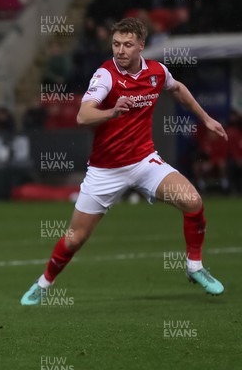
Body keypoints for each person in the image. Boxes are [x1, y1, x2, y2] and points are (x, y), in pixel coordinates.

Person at [21, 17, 227, 305]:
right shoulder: (105, 75)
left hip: (144, 162)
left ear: (141, 46)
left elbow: (177, 88)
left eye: (128, 45)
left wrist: (205, 118)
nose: (120, 50)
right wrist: (111, 112)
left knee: (192, 202)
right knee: (75, 239)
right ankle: (43, 284)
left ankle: (195, 267)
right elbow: (83, 116)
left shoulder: (156, 72)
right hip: (105, 171)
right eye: (116, 44)